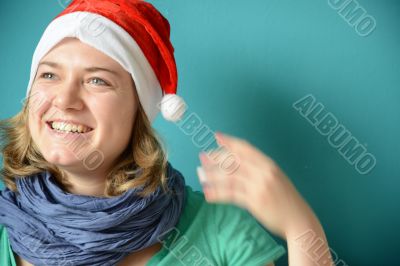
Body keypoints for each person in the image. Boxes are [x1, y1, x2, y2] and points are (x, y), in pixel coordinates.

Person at [0, 0, 333, 265]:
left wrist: (300, 226)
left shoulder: (218, 229)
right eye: (48, 75)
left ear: (140, 113)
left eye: (97, 80)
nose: (65, 99)